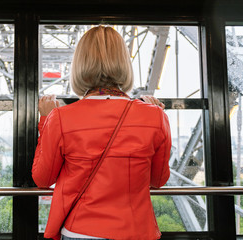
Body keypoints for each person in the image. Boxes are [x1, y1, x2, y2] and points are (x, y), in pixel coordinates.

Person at [32, 26, 171, 240]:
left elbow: (42, 178)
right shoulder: (155, 117)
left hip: (80, 229)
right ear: (125, 64)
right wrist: (157, 115)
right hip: (135, 230)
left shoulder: (60, 117)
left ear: (79, 65)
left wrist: (45, 120)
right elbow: (158, 180)